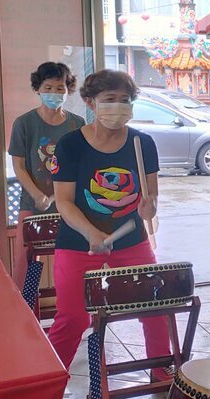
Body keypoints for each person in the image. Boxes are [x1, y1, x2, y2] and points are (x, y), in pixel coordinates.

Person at [48, 69, 172, 381]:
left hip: (132, 244)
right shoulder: (70, 145)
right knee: (73, 318)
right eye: (109, 100)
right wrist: (91, 233)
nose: (118, 106)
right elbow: (63, 201)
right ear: (90, 102)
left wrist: (150, 207)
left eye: (125, 100)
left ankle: (160, 369)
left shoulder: (143, 144)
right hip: (78, 244)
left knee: (154, 307)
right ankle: (48, 379)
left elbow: (151, 198)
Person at [8, 61, 85, 288]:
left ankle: (72, 307)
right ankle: (25, 308)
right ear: (38, 89)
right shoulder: (24, 123)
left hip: (70, 206)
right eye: (48, 88)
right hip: (32, 205)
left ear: (68, 90)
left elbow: (80, 165)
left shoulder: (77, 124)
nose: (54, 93)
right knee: (26, 261)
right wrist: (37, 195)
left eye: (60, 88)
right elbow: (19, 166)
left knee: (73, 258)